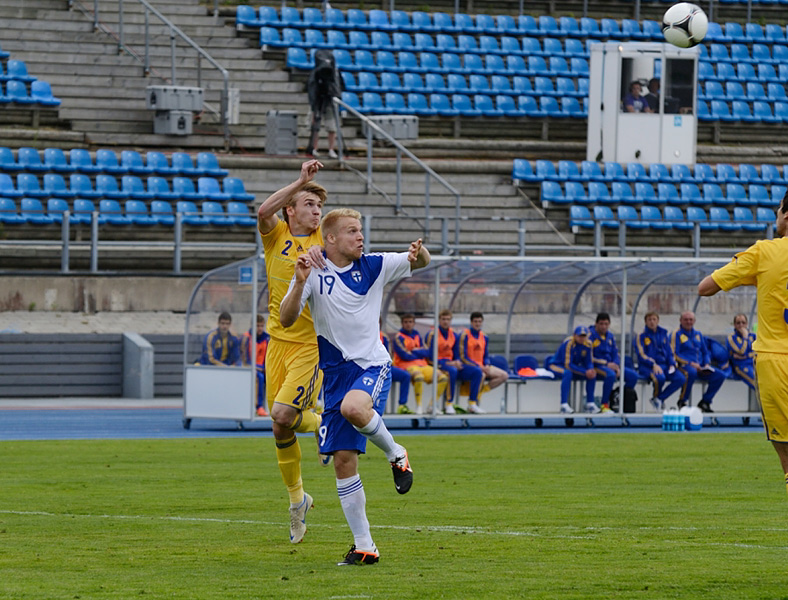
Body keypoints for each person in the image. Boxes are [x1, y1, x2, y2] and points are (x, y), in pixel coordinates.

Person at [279, 207, 429, 566]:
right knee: (344, 462)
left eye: (360, 230)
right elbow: (285, 319)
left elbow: (421, 261)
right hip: (335, 377)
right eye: (351, 231)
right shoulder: (312, 270)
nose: (360, 237)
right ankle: (365, 547)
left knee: (355, 408)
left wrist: (418, 252)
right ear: (330, 239)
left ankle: (396, 454)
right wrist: (299, 281)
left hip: (371, 364)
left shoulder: (374, 264)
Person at [257, 159, 327, 545]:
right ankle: (298, 501)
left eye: (319, 207)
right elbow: (263, 211)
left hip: (310, 346)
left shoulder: (324, 244)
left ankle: (325, 423)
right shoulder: (276, 234)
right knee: (279, 423)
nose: (316, 212)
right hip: (276, 343)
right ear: (292, 210)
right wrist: (300, 180)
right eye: (309, 204)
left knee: (284, 413)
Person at [698, 195, 788, 495]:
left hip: (776, 358)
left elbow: (706, 287)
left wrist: (755, 275)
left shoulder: (765, 251)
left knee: (786, 453)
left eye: (777, 211)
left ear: (786, 215)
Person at [424, 309, 484, 415]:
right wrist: (448, 363)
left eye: (448, 319)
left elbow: (456, 352)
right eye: (443, 319)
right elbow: (430, 357)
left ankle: (472, 403)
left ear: (451, 321)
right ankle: (449, 404)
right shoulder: (432, 334)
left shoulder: (454, 335)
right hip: (437, 364)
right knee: (452, 371)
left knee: (477, 371)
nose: (445, 322)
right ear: (439, 320)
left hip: (452, 364)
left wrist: (457, 361)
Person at [670, 311, 726, 412]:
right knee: (691, 372)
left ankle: (705, 402)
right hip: (684, 366)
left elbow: (705, 352)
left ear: (694, 321)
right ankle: (682, 401)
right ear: (680, 320)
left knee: (720, 375)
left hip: (700, 367)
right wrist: (690, 363)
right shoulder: (676, 334)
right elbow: (674, 354)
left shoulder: (698, 334)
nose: (688, 322)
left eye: (691, 320)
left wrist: (706, 363)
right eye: (686, 320)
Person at [392, 313, 448, 415]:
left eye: (410, 322)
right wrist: (419, 352)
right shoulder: (398, 337)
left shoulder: (417, 335)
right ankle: (419, 406)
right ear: (402, 323)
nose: (408, 324)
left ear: (414, 323)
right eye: (406, 322)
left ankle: (432, 405)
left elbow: (427, 352)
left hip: (423, 364)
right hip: (406, 365)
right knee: (419, 377)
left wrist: (413, 351)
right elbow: (404, 355)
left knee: (443, 378)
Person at [458, 311, 509, 413]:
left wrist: (486, 364)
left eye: (479, 321)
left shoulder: (484, 336)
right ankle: (472, 403)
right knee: (480, 374)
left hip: (482, 365)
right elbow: (463, 356)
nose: (477, 324)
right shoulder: (464, 335)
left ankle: (481, 392)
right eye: (475, 321)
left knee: (504, 375)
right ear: (471, 322)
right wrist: (478, 366)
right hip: (469, 366)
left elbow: (485, 354)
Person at [635, 311, 686, 410]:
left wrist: (672, 363)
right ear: (645, 322)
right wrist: (653, 364)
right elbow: (641, 354)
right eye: (649, 320)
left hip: (664, 365)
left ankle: (659, 399)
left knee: (681, 378)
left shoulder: (663, 334)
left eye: (654, 319)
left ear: (658, 321)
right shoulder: (641, 336)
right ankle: (656, 398)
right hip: (647, 366)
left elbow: (669, 350)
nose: (652, 322)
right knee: (660, 378)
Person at [589, 312, 637, 411]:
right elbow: (589, 357)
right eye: (601, 324)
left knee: (633, 376)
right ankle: (604, 405)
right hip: (596, 366)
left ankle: (616, 395)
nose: (604, 326)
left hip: (611, 365)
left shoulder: (610, 336)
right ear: (596, 324)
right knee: (610, 375)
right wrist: (606, 364)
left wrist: (616, 365)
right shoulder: (590, 336)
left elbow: (615, 353)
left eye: (606, 324)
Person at [548, 325, 599, 414]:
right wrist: (584, 372)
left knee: (592, 374)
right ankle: (564, 405)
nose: (582, 338)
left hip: (574, 367)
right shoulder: (568, 343)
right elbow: (568, 365)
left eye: (584, 336)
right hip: (557, 365)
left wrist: (590, 370)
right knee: (567, 373)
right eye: (580, 336)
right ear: (574, 335)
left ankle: (590, 403)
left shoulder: (588, 344)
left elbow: (588, 361)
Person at [306, 49, 342, 159]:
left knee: (332, 127)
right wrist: (313, 108)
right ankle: (314, 148)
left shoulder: (335, 73)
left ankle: (331, 149)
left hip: (331, 101)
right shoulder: (316, 73)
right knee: (315, 125)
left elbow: (339, 87)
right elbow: (312, 89)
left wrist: (335, 95)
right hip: (317, 101)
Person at [379, 325, 412, 414]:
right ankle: (376, 408)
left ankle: (402, 405)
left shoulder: (384, 337)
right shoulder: (365, 336)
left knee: (405, 375)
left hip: (384, 367)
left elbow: (388, 355)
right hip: (369, 369)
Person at [241, 314, 270, 416]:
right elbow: (244, 360)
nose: (260, 328)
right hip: (250, 368)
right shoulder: (246, 338)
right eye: (257, 326)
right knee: (260, 377)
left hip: (263, 368)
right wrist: (256, 367)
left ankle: (274, 406)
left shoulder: (267, 338)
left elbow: (269, 358)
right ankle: (259, 407)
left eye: (261, 326)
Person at [726, 313, 756, 391]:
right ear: (735, 325)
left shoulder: (753, 336)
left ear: (747, 324)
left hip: (754, 364)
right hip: (741, 366)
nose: (741, 325)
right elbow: (741, 352)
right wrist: (745, 337)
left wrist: (746, 356)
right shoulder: (731, 338)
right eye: (738, 323)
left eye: (743, 322)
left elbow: (758, 352)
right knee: (757, 384)